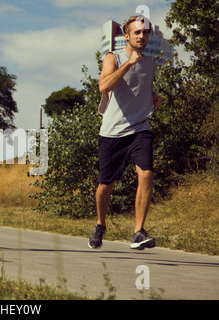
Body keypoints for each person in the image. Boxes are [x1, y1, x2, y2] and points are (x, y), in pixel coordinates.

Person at [89, 16, 163, 250]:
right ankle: (100, 224)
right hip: (112, 133)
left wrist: (153, 99)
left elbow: (139, 91)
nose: (142, 36)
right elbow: (104, 86)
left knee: (147, 173)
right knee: (105, 184)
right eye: (137, 32)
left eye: (145, 32)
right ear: (127, 36)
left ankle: (138, 232)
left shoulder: (151, 64)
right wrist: (129, 63)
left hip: (140, 128)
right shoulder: (114, 57)